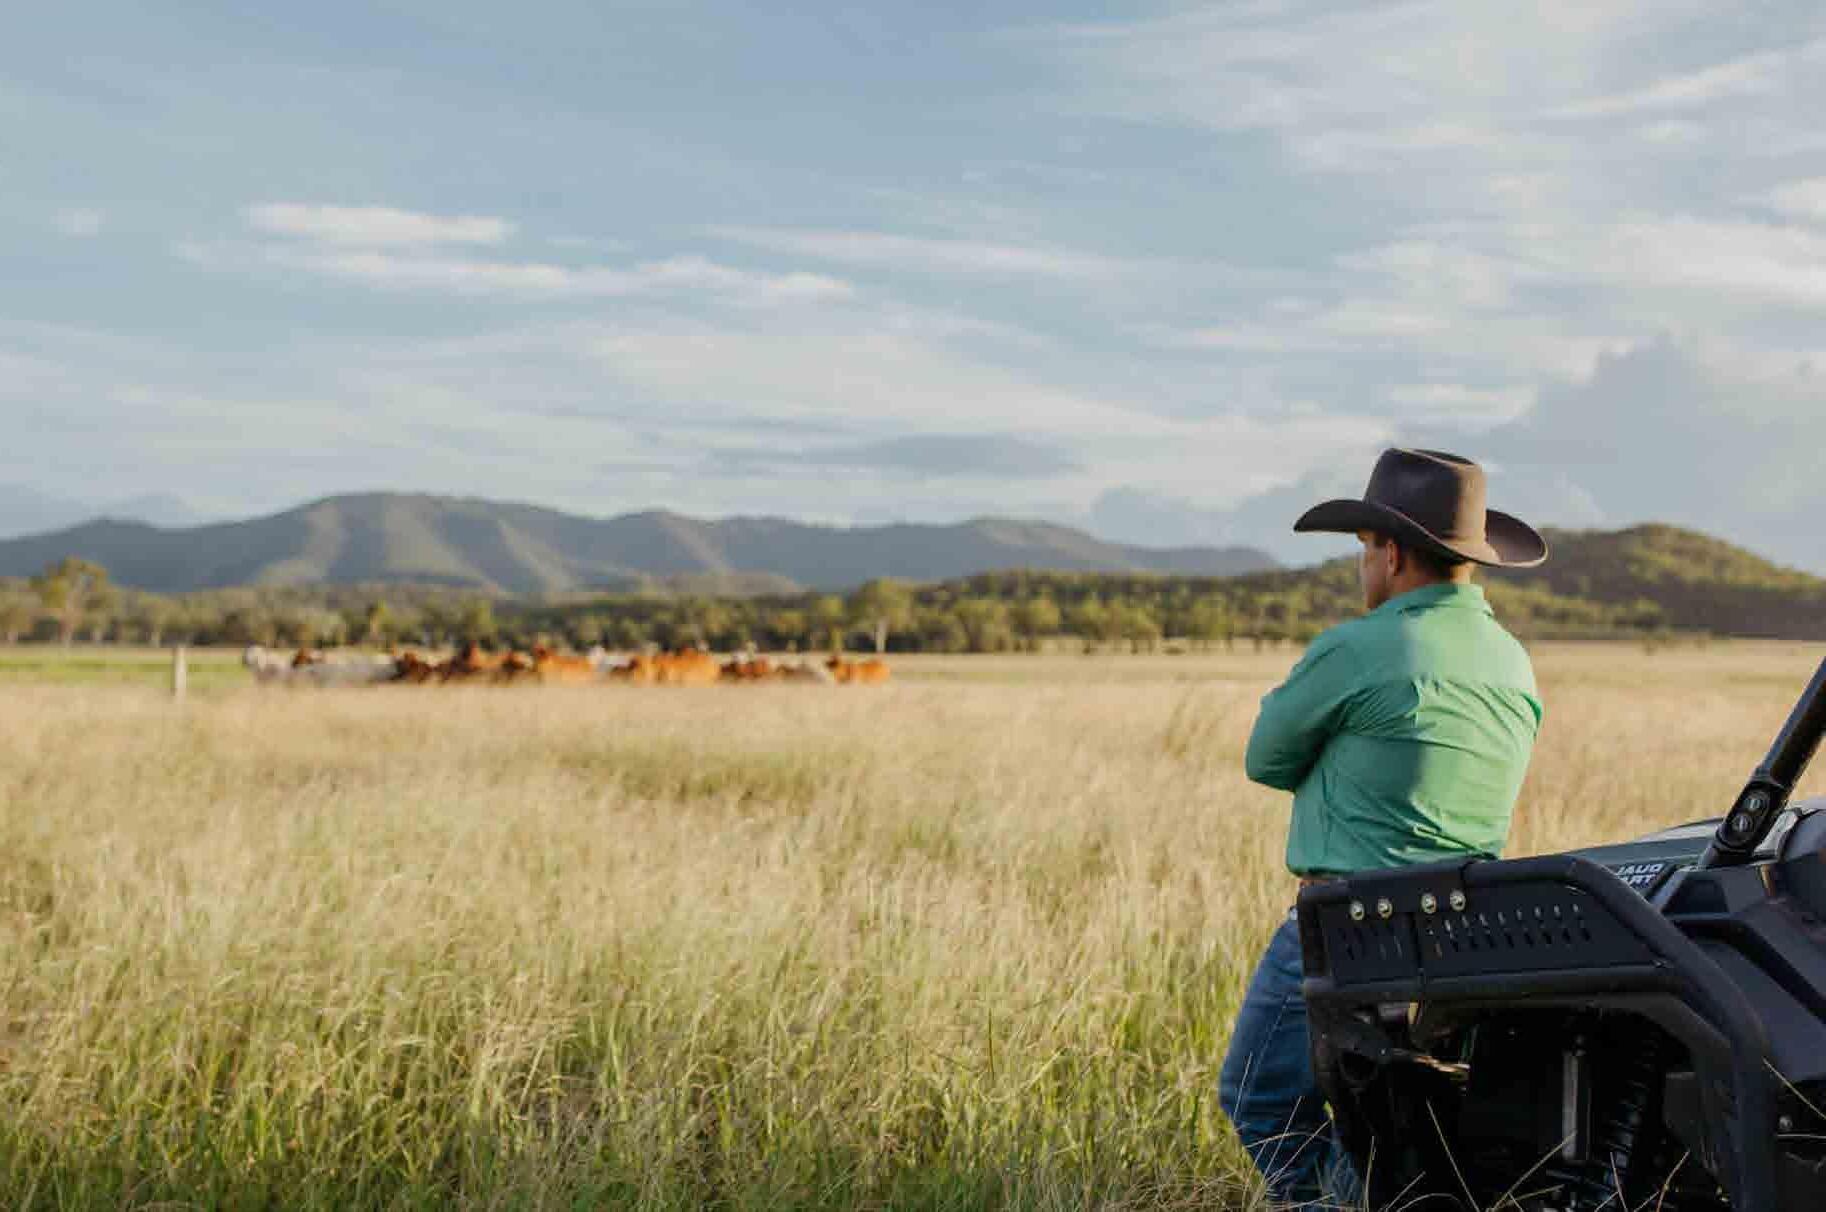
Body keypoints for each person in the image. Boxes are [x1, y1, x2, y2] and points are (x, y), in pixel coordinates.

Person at [1218, 448, 1548, 1206]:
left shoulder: (1359, 647)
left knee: (1261, 1100)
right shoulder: (1512, 659)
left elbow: (1266, 759)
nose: (1362, 564)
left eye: (1364, 548)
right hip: (1470, 932)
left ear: (1392, 554)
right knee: (1405, 1124)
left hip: (1349, 925)